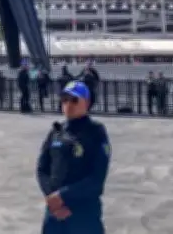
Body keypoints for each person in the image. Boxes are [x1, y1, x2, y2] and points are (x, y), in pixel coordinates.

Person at [36, 81, 111, 234]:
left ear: (87, 102)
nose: (68, 104)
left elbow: (96, 179)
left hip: (83, 214)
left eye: (74, 100)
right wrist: (52, 198)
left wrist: (63, 196)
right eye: (64, 99)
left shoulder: (96, 133)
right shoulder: (56, 132)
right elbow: (42, 168)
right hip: (55, 214)